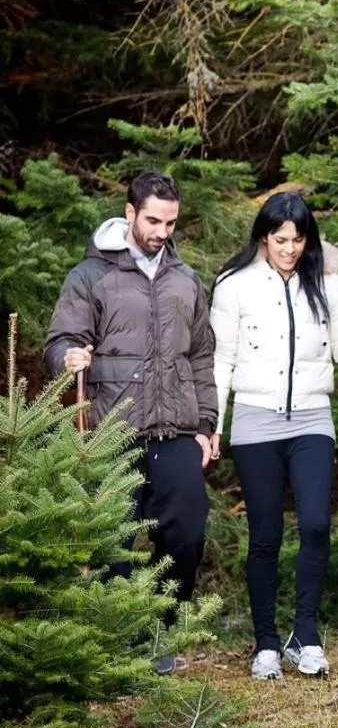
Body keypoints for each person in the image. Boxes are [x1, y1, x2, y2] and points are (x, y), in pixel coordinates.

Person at [210, 192, 338, 680]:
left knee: (315, 524)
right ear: (263, 237)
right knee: (265, 534)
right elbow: (220, 361)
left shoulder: (325, 282)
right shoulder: (234, 286)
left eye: (297, 239)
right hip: (254, 420)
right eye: (280, 239)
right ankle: (266, 644)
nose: (289, 249)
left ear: (308, 239)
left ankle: (305, 636)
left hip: (312, 417)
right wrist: (214, 425)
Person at [44, 171, 218, 677]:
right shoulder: (89, 275)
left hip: (179, 430)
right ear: (129, 213)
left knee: (185, 535)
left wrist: (206, 423)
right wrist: (67, 357)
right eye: (153, 220)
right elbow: (59, 341)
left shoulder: (185, 279)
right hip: (113, 429)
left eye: (171, 222)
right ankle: (119, 642)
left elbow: (203, 355)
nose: (162, 232)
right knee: (113, 542)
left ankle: (162, 632)